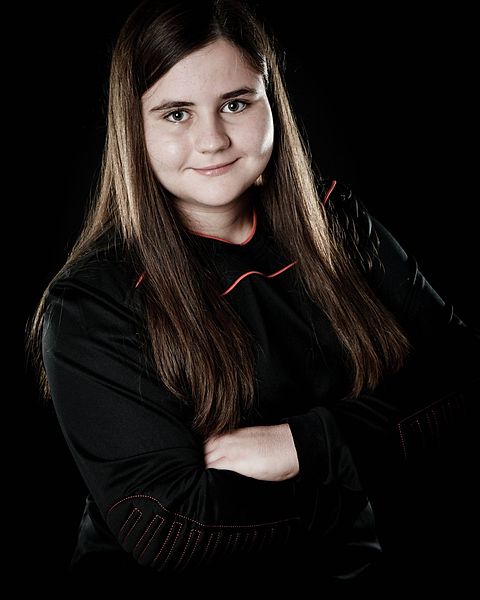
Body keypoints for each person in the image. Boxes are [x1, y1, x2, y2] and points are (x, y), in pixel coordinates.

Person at [30, 0, 478, 589]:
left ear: (272, 102)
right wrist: (371, 462)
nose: (212, 139)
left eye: (235, 104)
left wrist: (305, 446)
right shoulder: (91, 304)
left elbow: (466, 374)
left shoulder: (335, 220)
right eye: (176, 114)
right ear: (133, 129)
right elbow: (171, 528)